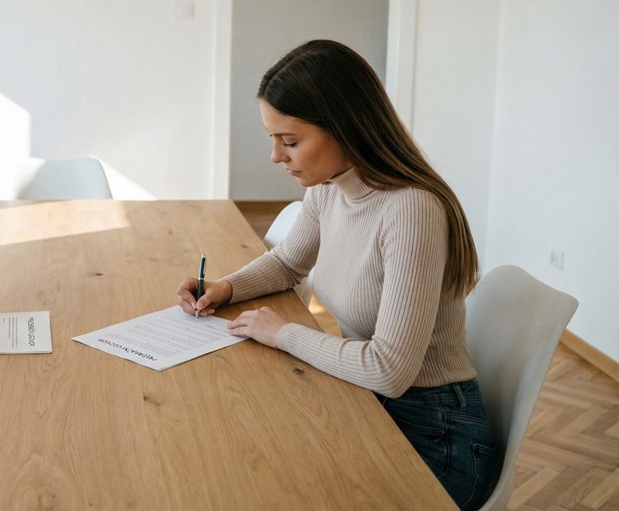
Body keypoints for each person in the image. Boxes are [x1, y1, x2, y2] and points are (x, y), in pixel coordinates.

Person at [176, 40, 496, 510]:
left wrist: (283, 333)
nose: (275, 156)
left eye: (290, 141)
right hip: (370, 399)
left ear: (346, 128)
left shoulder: (411, 211)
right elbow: (288, 264)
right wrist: (225, 287)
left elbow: (389, 371)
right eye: (273, 139)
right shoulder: (331, 188)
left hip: (434, 433)